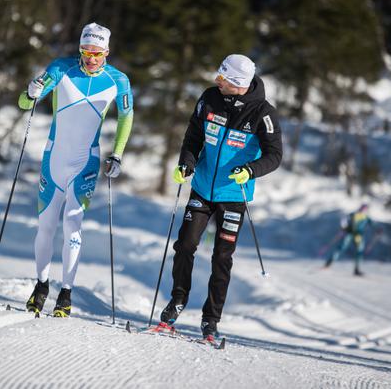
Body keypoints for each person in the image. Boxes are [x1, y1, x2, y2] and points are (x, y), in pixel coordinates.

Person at [158, 54, 283, 341]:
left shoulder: (263, 114)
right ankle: (176, 302)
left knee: (222, 257)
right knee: (185, 244)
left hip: (232, 195)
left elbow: (275, 156)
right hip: (202, 187)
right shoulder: (209, 98)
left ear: (238, 83)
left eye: (223, 78)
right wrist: (186, 163)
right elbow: (193, 136)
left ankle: (211, 320)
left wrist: (250, 170)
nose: (217, 81)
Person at [18, 22, 134, 317]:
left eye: (97, 52)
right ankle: (41, 286)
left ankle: (66, 293)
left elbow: (126, 119)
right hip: (53, 158)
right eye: (86, 51)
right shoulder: (61, 69)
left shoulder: (118, 80)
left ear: (107, 51)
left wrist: (117, 154)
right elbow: (23, 104)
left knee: (73, 224)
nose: (91, 58)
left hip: (86, 161)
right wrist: (30, 93)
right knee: (45, 226)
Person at [324, 204, 375, 276]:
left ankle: (356, 269)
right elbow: (344, 220)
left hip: (357, 235)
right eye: (362, 209)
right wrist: (344, 227)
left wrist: (378, 230)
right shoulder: (354, 215)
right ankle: (329, 263)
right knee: (342, 248)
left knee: (358, 251)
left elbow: (373, 225)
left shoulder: (365, 217)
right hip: (350, 234)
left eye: (364, 209)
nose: (362, 211)